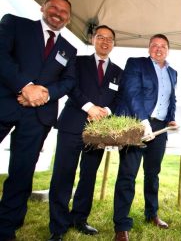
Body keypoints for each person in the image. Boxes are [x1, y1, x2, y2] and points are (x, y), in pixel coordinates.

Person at [0, 0, 76, 241]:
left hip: (39, 115)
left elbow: (68, 81)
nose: (58, 13)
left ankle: (7, 225)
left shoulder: (69, 49)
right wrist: (24, 86)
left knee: (21, 172)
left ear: (69, 18)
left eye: (64, 11)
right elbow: (2, 56)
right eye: (53, 6)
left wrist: (43, 94)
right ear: (43, 8)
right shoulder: (15, 24)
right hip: (6, 102)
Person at [47, 25, 122, 241]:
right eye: (101, 37)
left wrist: (105, 111)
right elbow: (70, 87)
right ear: (93, 39)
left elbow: (118, 98)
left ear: (114, 43)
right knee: (63, 175)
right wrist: (89, 107)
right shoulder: (78, 62)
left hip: (98, 131)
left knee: (88, 176)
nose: (105, 42)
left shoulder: (118, 71)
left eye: (109, 38)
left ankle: (79, 218)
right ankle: (58, 227)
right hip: (72, 126)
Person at [113, 34, 177, 241]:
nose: (159, 49)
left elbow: (171, 98)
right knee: (128, 173)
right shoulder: (136, 64)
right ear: (149, 48)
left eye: (163, 46)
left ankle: (151, 214)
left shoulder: (172, 72)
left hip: (159, 128)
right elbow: (132, 92)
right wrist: (142, 121)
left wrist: (170, 119)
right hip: (137, 123)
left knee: (153, 173)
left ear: (168, 49)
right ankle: (121, 225)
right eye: (154, 45)